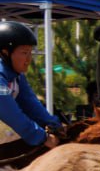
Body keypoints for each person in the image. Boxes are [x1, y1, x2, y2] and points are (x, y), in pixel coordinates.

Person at [0, 21, 61, 149]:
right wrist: (42, 137)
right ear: (5, 53)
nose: (29, 59)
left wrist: (54, 124)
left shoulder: (16, 75)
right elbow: (12, 114)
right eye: (24, 52)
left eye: (30, 52)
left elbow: (30, 103)